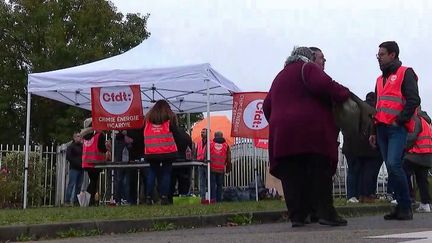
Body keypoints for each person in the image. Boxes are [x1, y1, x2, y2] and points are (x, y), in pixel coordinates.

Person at [263, 46, 350, 227]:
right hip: (310, 132)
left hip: (283, 136)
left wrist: (279, 121)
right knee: (319, 173)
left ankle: (298, 216)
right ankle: (326, 213)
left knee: (293, 176)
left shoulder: (279, 76)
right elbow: (325, 85)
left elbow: (266, 105)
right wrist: (345, 93)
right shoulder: (307, 68)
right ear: (308, 57)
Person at [369, 41, 421, 220]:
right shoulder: (379, 79)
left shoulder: (405, 73)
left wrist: (399, 121)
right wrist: (373, 132)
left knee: (393, 164)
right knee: (392, 168)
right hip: (382, 129)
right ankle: (401, 206)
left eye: (381, 54)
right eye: (378, 55)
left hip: (396, 129)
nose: (379, 58)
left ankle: (406, 205)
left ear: (392, 55)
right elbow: (377, 107)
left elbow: (414, 99)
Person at [342, 92, 383, 203]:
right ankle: (365, 195)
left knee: (352, 171)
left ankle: (351, 196)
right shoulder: (375, 110)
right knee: (366, 172)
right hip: (367, 147)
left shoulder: (355, 109)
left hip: (349, 145)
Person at [143, 100, 179, 205]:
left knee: (152, 173)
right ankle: (164, 197)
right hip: (168, 151)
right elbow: (176, 133)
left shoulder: (148, 119)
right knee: (166, 173)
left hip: (151, 151)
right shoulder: (170, 118)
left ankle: (148, 197)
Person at [403, 109, 432, 212]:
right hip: (427, 154)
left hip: (416, 154)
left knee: (402, 172)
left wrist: (403, 147)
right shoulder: (426, 121)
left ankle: (407, 197)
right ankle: (425, 204)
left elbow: (412, 137)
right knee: (422, 180)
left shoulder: (415, 119)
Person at [81, 118, 109, 206]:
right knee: (93, 182)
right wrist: (107, 148)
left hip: (87, 162)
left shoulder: (84, 136)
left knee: (92, 181)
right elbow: (102, 148)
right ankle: (88, 200)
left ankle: (90, 200)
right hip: (96, 162)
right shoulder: (99, 135)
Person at [170, 125, 193, 202]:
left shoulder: (170, 135)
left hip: (172, 161)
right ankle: (182, 199)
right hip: (184, 162)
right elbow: (190, 150)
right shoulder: (187, 136)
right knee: (183, 183)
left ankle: (170, 199)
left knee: (171, 182)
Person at [209, 131, 232, 202]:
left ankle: (213, 199)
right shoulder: (226, 145)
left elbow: (206, 155)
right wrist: (228, 168)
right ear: (222, 136)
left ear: (215, 136)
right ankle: (219, 200)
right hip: (221, 168)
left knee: (212, 185)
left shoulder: (211, 144)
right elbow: (228, 158)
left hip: (212, 168)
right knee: (219, 185)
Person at [114, 130, 133, 205]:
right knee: (122, 180)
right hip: (122, 161)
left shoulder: (118, 138)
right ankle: (121, 198)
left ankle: (123, 198)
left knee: (123, 181)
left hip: (123, 161)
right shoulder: (119, 138)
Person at [65, 132, 84, 206]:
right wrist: (75, 162)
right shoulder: (71, 146)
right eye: (78, 136)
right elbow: (68, 157)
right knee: (71, 184)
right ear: (74, 137)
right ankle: (67, 201)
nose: (79, 138)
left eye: (80, 136)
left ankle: (76, 201)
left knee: (79, 186)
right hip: (74, 168)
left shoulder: (82, 146)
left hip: (81, 168)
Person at [195, 128, 208, 203]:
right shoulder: (199, 143)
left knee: (208, 181)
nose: (202, 133)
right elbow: (196, 151)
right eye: (201, 132)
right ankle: (202, 198)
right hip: (199, 163)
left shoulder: (210, 143)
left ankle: (210, 197)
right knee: (201, 182)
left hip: (207, 164)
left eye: (203, 132)